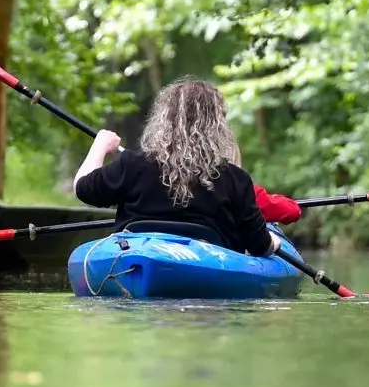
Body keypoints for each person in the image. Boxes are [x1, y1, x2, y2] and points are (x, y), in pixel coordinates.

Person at [72, 78, 283, 256]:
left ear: (163, 120)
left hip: (137, 258)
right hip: (208, 277)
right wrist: (274, 241)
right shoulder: (235, 179)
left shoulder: (132, 164)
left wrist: (100, 145)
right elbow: (259, 246)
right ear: (217, 126)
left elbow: (82, 188)